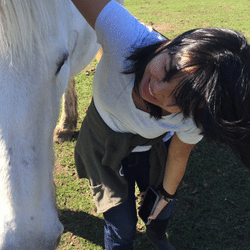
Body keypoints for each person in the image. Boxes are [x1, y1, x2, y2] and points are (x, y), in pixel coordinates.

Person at [71, 0, 250, 249]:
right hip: (102, 144)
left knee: (162, 206)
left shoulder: (195, 117)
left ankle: (156, 234)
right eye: (167, 68)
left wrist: (167, 195)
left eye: (179, 100)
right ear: (174, 43)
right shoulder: (125, 36)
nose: (156, 89)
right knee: (122, 228)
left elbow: (178, 156)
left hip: (151, 146)